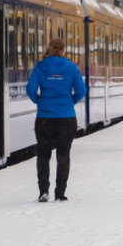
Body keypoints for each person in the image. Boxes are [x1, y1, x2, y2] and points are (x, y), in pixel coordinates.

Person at [26, 38, 87, 202]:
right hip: (66, 119)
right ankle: (60, 193)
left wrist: (41, 101)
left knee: (43, 155)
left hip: (44, 119)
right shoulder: (72, 68)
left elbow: (30, 89)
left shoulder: (40, 67)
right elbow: (81, 91)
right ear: (62, 51)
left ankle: (43, 191)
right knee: (63, 155)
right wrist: (69, 102)